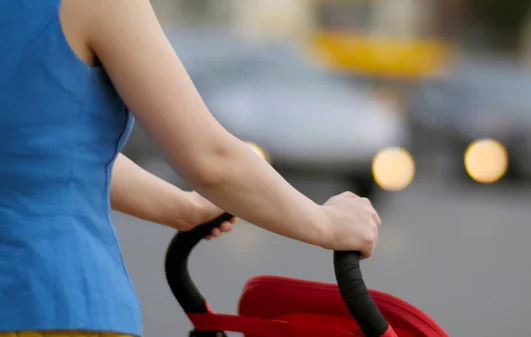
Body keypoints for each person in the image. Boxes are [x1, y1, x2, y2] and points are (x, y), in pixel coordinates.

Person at [0, 1, 382, 337]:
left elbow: (39, 153)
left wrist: (182, 208)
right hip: (51, 301)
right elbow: (211, 160)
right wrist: (326, 223)